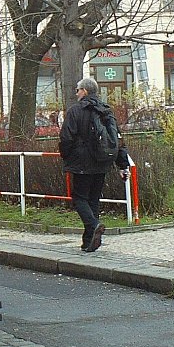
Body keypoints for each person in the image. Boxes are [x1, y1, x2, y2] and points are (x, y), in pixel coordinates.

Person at [58, 76, 130, 253]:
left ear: (85, 91)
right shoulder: (106, 110)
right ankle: (89, 242)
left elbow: (66, 137)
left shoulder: (75, 111)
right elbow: (117, 139)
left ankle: (94, 224)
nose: (76, 93)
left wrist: (67, 157)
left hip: (82, 162)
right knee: (93, 200)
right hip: (102, 161)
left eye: (77, 90)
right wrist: (123, 164)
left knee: (79, 199)